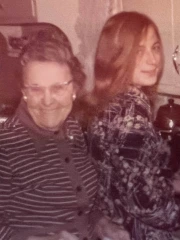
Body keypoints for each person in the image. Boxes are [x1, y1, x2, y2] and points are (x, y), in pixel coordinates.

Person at [86, 11, 180, 240]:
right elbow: (148, 207)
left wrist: (172, 185)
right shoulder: (131, 113)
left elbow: (125, 182)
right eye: (139, 51)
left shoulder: (110, 101)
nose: (152, 60)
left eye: (155, 48)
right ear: (117, 56)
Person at [0, 29, 129, 240]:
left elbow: (80, 206)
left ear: (74, 89)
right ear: (24, 93)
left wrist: (102, 225)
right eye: (35, 89)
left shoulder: (72, 130)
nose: (48, 100)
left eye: (58, 88)